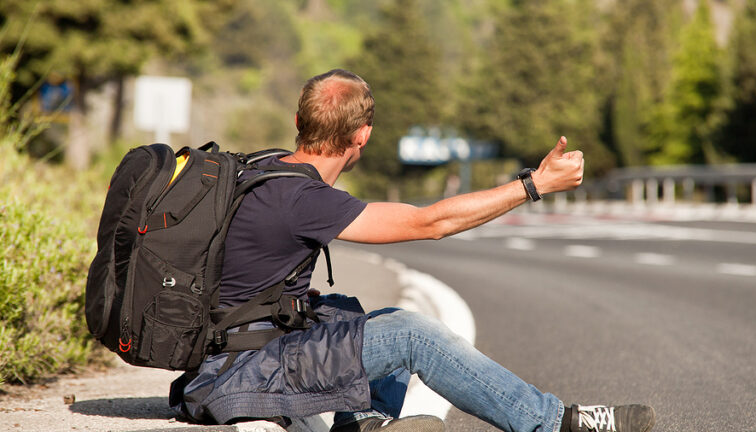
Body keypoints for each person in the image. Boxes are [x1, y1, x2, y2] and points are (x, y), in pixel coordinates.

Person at [170, 69, 656, 432]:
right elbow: (432, 222)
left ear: (298, 121)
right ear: (363, 137)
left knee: (348, 315)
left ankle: (363, 423)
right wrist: (534, 184)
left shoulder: (263, 168)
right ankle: (554, 423)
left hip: (222, 361)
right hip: (239, 374)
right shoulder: (303, 199)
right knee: (410, 334)